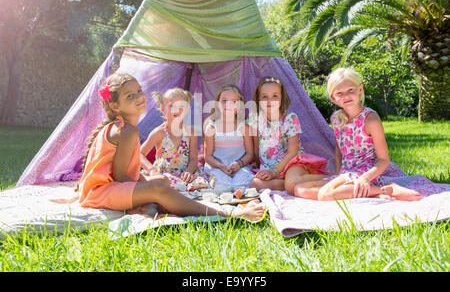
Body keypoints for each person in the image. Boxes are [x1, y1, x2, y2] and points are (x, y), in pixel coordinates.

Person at [78, 73, 265, 221]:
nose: (139, 97)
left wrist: (151, 183)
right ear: (115, 106)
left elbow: (126, 173)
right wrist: (150, 185)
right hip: (101, 193)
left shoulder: (126, 128)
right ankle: (228, 215)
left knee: (162, 185)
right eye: (130, 96)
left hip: (110, 189)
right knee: (159, 189)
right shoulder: (126, 131)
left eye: (139, 91)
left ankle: (158, 204)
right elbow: (121, 177)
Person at [293, 68, 423, 201]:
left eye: (351, 90)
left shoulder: (370, 119)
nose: (346, 96)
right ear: (334, 97)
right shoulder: (336, 118)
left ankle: (387, 189)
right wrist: (338, 173)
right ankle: (372, 194)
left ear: (360, 89)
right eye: (340, 93)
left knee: (325, 195)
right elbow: (339, 150)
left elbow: (384, 160)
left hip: (366, 173)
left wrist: (365, 178)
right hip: (346, 172)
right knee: (299, 189)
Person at [249, 76, 328, 191]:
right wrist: (259, 167)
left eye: (275, 96)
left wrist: (274, 171)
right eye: (264, 97)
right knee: (255, 184)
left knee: (291, 182)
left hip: (291, 163)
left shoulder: (290, 118)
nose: (270, 101)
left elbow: (293, 152)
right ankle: (287, 184)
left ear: (282, 99)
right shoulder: (255, 119)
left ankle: (331, 177)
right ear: (258, 100)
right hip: (268, 167)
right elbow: (256, 149)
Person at [141, 88, 210, 192]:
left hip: (184, 173)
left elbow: (193, 159)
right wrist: (152, 170)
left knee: (203, 184)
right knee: (169, 186)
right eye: (172, 106)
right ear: (163, 109)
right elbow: (139, 154)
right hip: (165, 175)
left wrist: (189, 172)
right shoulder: (159, 133)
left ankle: (187, 195)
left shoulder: (191, 133)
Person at [203, 84, 255, 192]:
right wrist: (220, 166)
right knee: (222, 188)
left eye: (234, 102)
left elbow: (250, 153)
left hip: (240, 166)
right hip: (217, 167)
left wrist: (239, 164)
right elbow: (207, 156)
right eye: (224, 101)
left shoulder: (244, 127)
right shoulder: (212, 127)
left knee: (242, 187)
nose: (229, 105)